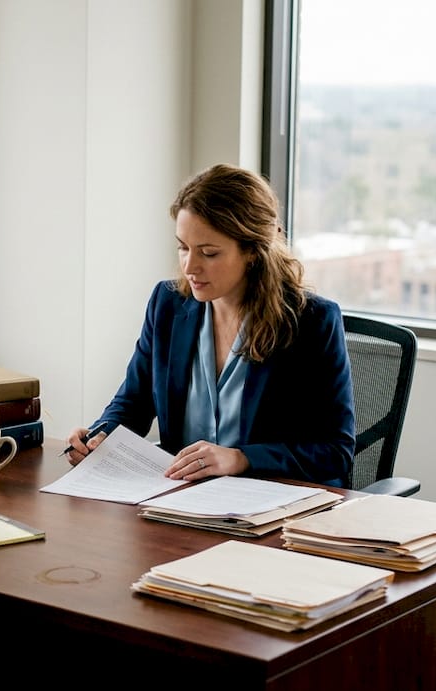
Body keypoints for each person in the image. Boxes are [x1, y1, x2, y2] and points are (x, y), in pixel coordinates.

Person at [65, 164, 356, 487]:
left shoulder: (311, 322)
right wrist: (100, 435)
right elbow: (133, 401)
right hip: (179, 500)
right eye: (183, 247)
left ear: (253, 252)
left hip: (268, 505)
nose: (190, 266)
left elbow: (335, 451)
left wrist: (240, 457)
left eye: (209, 253)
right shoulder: (168, 304)